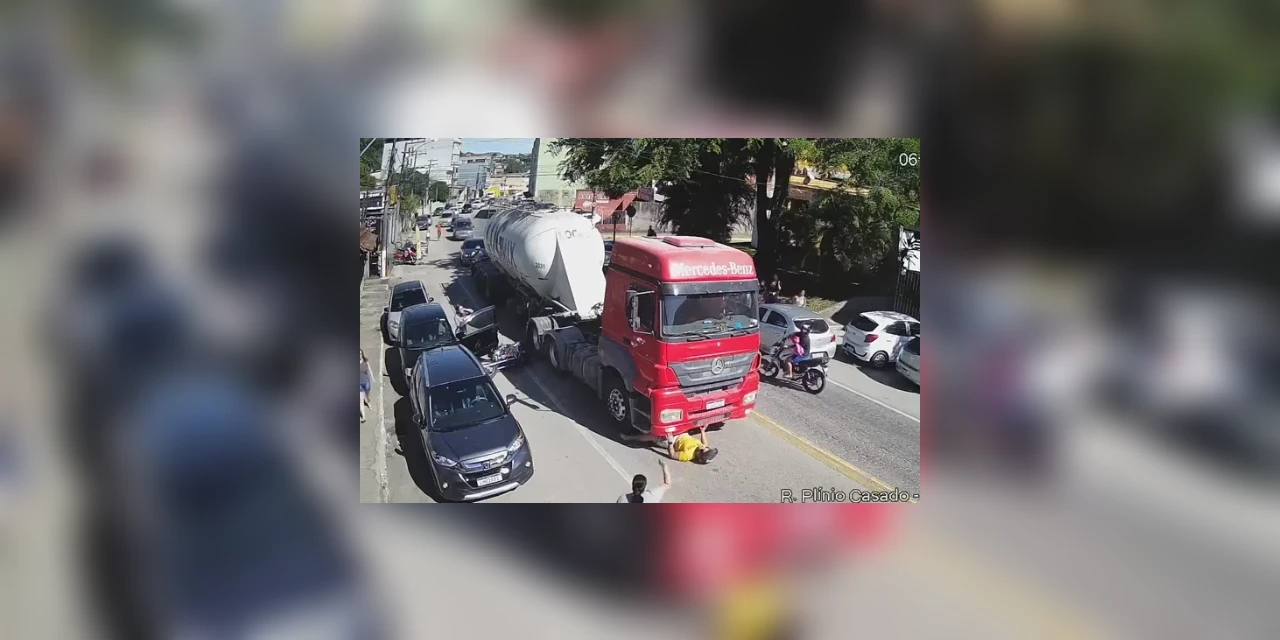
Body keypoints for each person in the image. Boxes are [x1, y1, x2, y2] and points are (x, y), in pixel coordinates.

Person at [359, 349, 373, 423]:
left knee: (368, 395)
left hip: (366, 382)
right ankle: (364, 417)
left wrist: (372, 378)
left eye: (360, 353)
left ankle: (368, 402)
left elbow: (369, 370)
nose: (359, 355)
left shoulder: (365, 361)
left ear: (362, 354)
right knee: (360, 400)